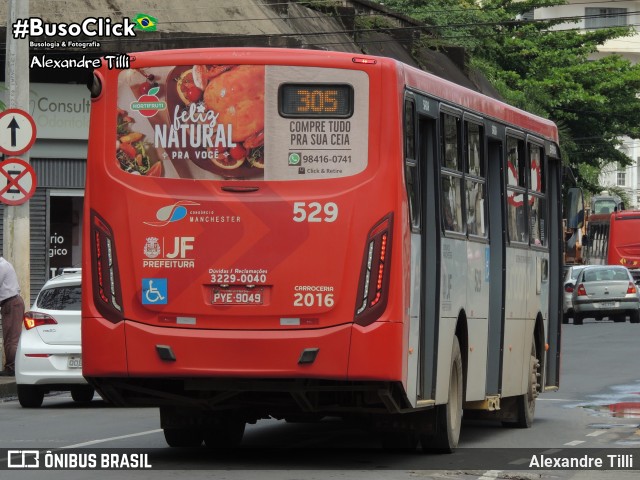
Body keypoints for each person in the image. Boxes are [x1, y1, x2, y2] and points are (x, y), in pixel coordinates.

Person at [0, 256, 25, 376]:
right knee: (10, 337)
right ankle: (11, 366)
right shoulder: (5, 264)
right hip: (11, 303)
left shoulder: (2, 266)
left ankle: (12, 368)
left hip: (11, 303)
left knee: (11, 338)